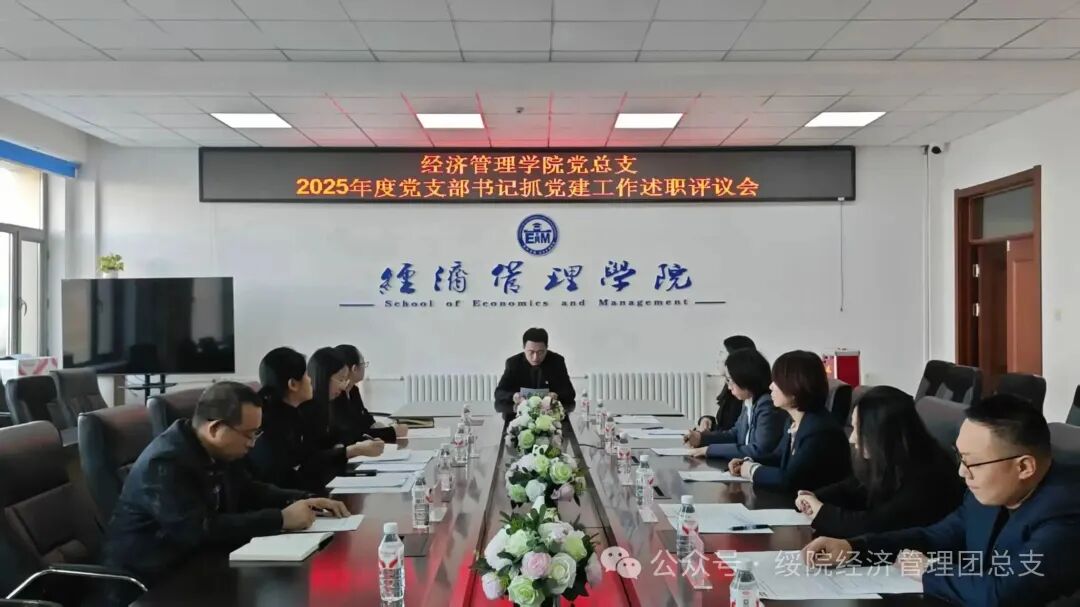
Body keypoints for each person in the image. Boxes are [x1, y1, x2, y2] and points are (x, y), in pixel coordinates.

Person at [803, 394, 1080, 607]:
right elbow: (933, 537)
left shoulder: (1066, 513)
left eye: (972, 462)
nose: (961, 472)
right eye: (960, 457)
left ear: (1024, 467)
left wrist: (929, 570)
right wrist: (853, 548)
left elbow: (1000, 594)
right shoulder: (991, 490)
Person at [103, 381, 350, 588]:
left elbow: (248, 489)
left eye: (257, 433)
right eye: (249, 434)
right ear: (215, 428)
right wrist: (281, 519)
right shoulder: (164, 463)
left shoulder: (216, 450)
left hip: (201, 565)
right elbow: (200, 529)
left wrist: (302, 498)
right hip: (152, 581)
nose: (252, 443)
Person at [794, 386, 965, 538]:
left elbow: (874, 525)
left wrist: (820, 511)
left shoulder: (928, 476)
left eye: (860, 430)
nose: (852, 439)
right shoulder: (890, 457)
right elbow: (853, 488)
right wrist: (814, 497)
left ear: (884, 433)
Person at [247, 347, 382, 493]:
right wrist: (350, 451)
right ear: (293, 384)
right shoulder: (278, 425)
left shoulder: (290, 415)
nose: (311, 379)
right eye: (306, 375)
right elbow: (305, 465)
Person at [727, 350, 850, 494]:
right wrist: (746, 461)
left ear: (795, 385)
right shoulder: (794, 421)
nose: (770, 386)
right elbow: (777, 457)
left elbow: (790, 480)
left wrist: (752, 470)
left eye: (776, 382)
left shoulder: (820, 430)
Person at [686, 347, 785, 460]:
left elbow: (759, 450)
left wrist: (709, 450)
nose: (729, 387)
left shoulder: (767, 405)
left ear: (745, 378)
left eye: (730, 380)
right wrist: (701, 438)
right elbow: (735, 434)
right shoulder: (748, 401)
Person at [330, 344, 407, 444]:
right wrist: (392, 432)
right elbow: (354, 434)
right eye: (363, 364)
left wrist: (382, 427)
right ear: (354, 368)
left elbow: (366, 420)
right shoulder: (335, 396)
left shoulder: (353, 390)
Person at [494, 327, 576, 419]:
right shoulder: (513, 363)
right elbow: (499, 393)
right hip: (519, 415)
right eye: (531, 352)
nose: (535, 357)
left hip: (549, 415)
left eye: (540, 352)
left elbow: (570, 393)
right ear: (524, 348)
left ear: (547, 348)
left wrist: (556, 395)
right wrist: (514, 396)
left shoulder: (557, 361)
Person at [690, 334, 757, 439]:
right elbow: (725, 426)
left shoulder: (742, 394)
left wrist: (703, 440)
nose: (718, 358)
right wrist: (707, 420)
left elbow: (733, 435)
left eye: (722, 353)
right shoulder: (730, 388)